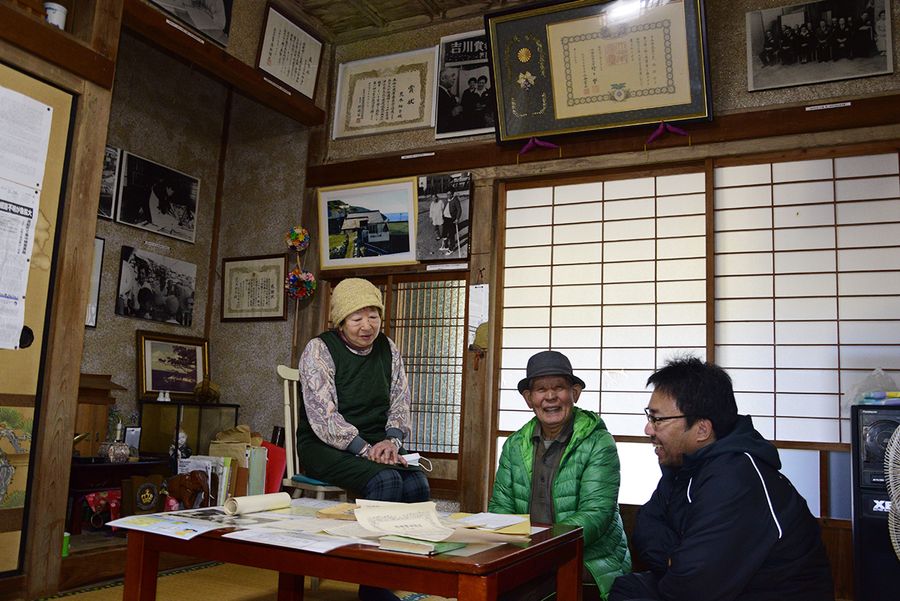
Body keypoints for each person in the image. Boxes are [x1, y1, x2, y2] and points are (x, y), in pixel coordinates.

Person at [609, 357, 834, 601]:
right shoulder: (686, 465)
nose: (648, 429)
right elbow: (646, 525)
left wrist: (681, 561)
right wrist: (676, 559)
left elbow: (691, 585)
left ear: (702, 430)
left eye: (657, 419)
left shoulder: (737, 478)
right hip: (712, 585)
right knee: (628, 588)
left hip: (763, 593)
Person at [297, 278, 429, 601]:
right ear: (340, 321)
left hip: (375, 443)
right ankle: (372, 587)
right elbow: (324, 418)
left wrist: (392, 443)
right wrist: (366, 449)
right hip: (325, 444)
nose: (367, 326)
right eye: (357, 318)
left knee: (417, 484)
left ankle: (404, 572)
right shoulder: (319, 350)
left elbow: (400, 401)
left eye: (373, 316)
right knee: (386, 481)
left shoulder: (388, 348)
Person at [489, 351, 631, 601]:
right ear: (528, 398)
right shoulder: (514, 445)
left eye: (559, 388)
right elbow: (500, 509)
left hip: (589, 559)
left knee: (527, 595)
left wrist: (540, 549)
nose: (550, 397)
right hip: (529, 555)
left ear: (574, 393)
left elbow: (596, 514)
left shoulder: (598, 442)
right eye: (541, 389)